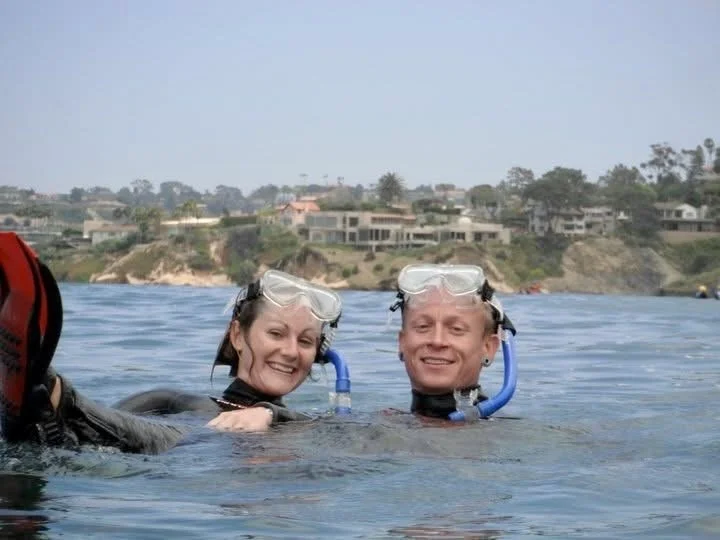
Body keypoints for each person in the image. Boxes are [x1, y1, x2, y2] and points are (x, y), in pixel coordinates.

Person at [0, 232, 343, 454]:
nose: (290, 351)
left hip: (185, 456)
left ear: (318, 354)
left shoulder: (306, 428)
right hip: (162, 454)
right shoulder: (170, 400)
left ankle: (49, 388)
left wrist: (270, 414)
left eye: (306, 341)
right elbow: (107, 425)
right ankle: (44, 403)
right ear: (237, 335)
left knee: (185, 439)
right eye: (276, 333)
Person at [389, 263, 516, 420]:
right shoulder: (374, 429)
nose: (437, 341)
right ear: (402, 343)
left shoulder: (515, 437)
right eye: (423, 327)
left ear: (488, 347)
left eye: (456, 329)